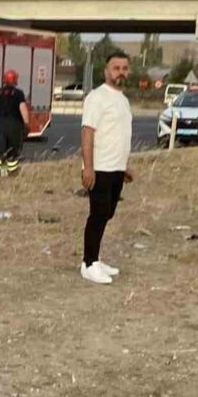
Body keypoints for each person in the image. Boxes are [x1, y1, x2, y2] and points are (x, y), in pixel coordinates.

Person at [79, 52, 134, 285]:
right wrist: (88, 167)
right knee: (98, 214)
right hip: (100, 168)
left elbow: (119, 135)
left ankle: (95, 259)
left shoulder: (122, 99)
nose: (120, 72)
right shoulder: (97, 97)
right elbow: (87, 132)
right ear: (106, 71)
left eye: (124, 68)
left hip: (116, 168)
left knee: (108, 214)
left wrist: (125, 166)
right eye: (115, 68)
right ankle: (89, 263)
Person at [0, 70, 31, 180]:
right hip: (14, 125)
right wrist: (26, 124)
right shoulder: (18, 94)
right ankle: (12, 173)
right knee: (12, 150)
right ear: (15, 80)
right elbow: (23, 109)